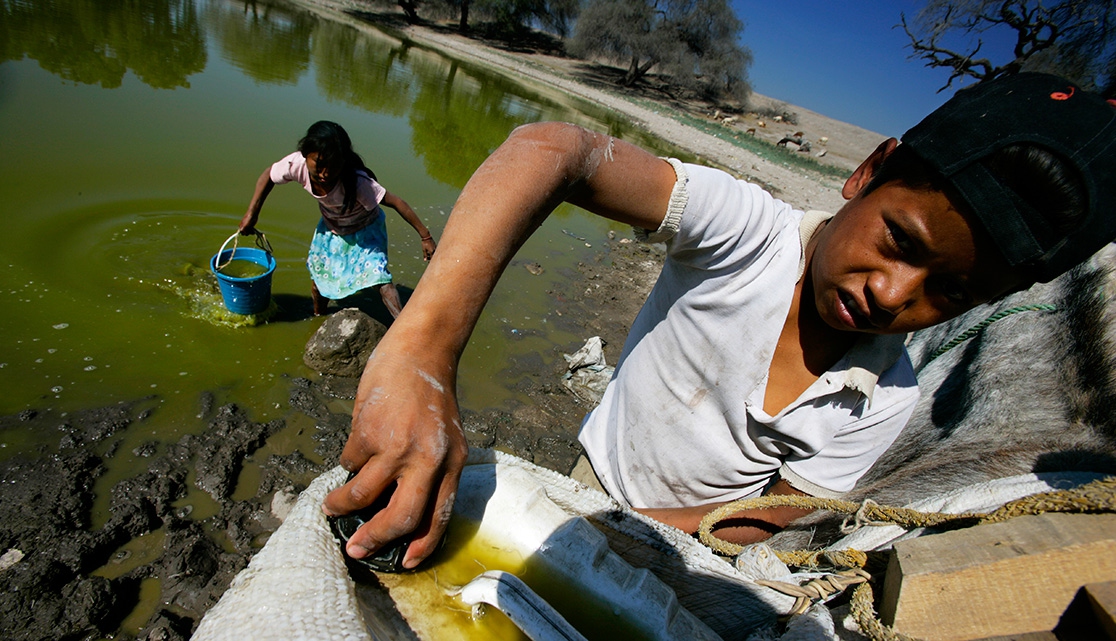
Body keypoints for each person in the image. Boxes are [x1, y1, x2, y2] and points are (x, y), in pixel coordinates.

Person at [321, 73, 1116, 569]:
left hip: (686, 540)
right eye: (899, 241)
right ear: (869, 172)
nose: (891, 292)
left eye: (952, 292)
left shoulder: (888, 398)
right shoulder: (748, 230)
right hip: (590, 477)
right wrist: (423, 350)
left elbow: (775, 510)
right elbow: (553, 150)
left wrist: (629, 534)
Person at [239, 120, 437, 317]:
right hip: (332, 229)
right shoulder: (296, 165)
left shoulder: (358, 182)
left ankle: (402, 325)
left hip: (366, 231)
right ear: (306, 154)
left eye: (333, 166)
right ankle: (319, 317)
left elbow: (396, 202)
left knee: (379, 279)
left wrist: (425, 236)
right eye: (319, 164)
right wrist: (252, 213)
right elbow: (268, 175)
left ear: (343, 162)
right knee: (319, 282)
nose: (325, 173)